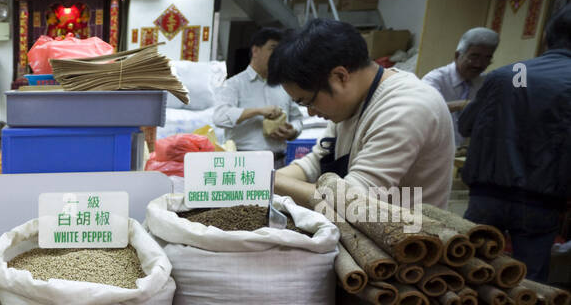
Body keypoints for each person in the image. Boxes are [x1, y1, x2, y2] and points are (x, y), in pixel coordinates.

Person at [267, 18, 455, 209]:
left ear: (340, 76)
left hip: (408, 233)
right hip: (363, 228)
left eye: (309, 101)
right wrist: (265, 177)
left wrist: (268, 181)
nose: (310, 112)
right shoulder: (350, 103)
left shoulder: (406, 107)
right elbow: (315, 163)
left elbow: (352, 200)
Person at [458, 5, 571, 282]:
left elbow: (466, 125)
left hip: (486, 196)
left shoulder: (507, 75)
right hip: (541, 202)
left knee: (469, 273)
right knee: (527, 286)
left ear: (545, 36)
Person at [212, 26, 304, 165]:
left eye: (280, 50)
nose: (277, 55)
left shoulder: (284, 86)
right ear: (255, 50)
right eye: (272, 48)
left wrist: (292, 131)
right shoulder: (234, 84)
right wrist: (258, 112)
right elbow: (220, 117)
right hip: (243, 162)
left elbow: (297, 119)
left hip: (277, 161)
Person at [422, 27, 498, 147]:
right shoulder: (435, 79)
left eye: (487, 58)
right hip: (432, 149)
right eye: (474, 56)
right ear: (458, 55)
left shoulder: (485, 83)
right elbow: (423, 110)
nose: (479, 64)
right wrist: (464, 105)